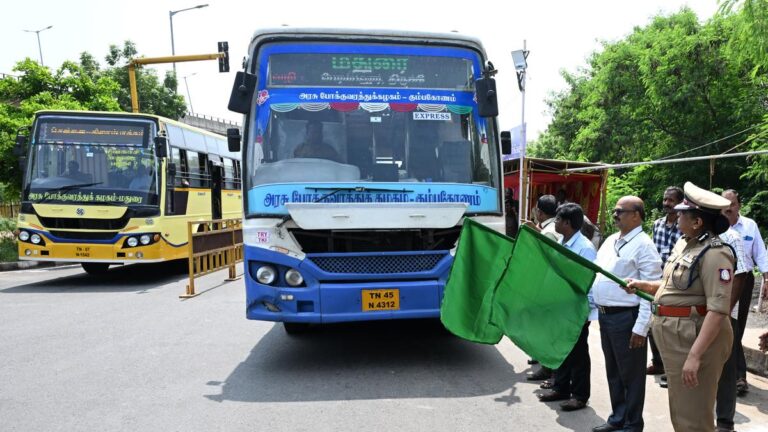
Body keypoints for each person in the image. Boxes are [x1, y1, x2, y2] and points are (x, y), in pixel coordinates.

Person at [626, 182, 734, 432]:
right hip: (676, 337)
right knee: (681, 409)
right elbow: (674, 287)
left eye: (683, 211)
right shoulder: (685, 244)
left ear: (697, 222)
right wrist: (644, 285)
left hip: (693, 339)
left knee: (693, 418)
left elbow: (718, 310)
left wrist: (695, 356)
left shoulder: (715, 254)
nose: (676, 214)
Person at [591, 195, 662, 432]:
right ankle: (617, 418)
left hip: (626, 317)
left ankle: (633, 424)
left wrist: (641, 327)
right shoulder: (611, 239)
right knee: (614, 371)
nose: (615, 215)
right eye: (615, 210)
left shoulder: (644, 245)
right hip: (606, 315)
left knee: (631, 375)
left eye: (620, 211)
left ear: (636, 215)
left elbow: (650, 289)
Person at [537, 203, 597, 412]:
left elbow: (589, 280)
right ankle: (561, 387)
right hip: (561, 306)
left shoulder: (585, 248)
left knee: (579, 353)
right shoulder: (563, 241)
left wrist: (586, 311)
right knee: (562, 347)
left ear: (568, 223)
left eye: (558, 220)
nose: (555, 223)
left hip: (576, 309)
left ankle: (579, 395)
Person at [722, 189, 768, 396]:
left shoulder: (749, 226)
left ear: (739, 205)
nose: (728, 208)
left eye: (732, 203)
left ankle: (738, 376)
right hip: (720, 279)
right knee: (724, 324)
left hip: (744, 280)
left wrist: (767, 277)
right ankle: (733, 375)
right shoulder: (716, 225)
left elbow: (760, 253)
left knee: (737, 326)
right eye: (724, 204)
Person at [648, 186, 684, 383]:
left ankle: (673, 370)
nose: (666, 203)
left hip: (676, 282)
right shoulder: (657, 224)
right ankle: (658, 362)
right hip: (656, 280)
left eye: (671, 200)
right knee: (654, 322)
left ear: (679, 203)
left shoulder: (684, 226)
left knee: (672, 326)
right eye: (665, 199)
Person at [524, 194, 561, 382]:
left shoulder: (549, 232)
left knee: (547, 329)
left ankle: (549, 369)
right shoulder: (553, 228)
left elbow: (544, 260)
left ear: (539, 211)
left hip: (547, 285)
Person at [715, 227, 748, 432]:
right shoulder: (693, 238)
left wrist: (725, 311)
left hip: (724, 314)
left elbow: (741, 273)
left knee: (726, 368)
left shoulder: (731, 238)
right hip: (700, 313)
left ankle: (725, 422)